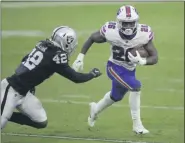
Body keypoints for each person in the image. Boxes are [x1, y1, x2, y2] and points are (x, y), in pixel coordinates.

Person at [72, 5, 158, 134]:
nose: (128, 27)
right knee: (135, 86)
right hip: (114, 67)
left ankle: (95, 110)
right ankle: (137, 125)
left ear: (136, 22)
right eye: (125, 23)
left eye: (131, 23)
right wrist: (80, 56)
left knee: (115, 96)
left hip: (129, 70)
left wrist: (142, 61)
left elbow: (155, 57)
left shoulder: (143, 33)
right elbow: (92, 38)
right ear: (118, 22)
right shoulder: (111, 31)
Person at [1, 26, 102, 130]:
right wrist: (92, 74)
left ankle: (5, 113)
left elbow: (25, 59)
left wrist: (30, 82)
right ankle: (4, 113)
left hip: (24, 92)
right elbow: (75, 77)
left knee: (40, 121)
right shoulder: (57, 55)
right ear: (65, 41)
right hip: (11, 89)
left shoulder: (42, 44)